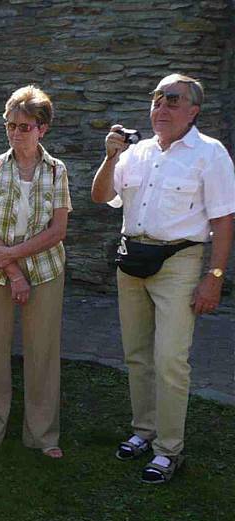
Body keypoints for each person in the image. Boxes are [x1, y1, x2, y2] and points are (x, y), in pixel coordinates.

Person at [90, 73, 235, 484]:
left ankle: (169, 450)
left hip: (180, 261)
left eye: (173, 100)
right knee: (137, 354)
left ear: (193, 110)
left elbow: (225, 220)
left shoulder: (210, 153)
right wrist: (110, 156)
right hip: (132, 258)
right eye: (157, 99)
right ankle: (144, 430)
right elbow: (101, 197)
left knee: (170, 358)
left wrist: (215, 276)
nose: (162, 107)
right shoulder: (136, 153)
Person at [0, 85, 72, 459]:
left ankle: (43, 435)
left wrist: (14, 254)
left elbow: (58, 230)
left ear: (42, 128)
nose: (16, 132)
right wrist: (13, 270)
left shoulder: (56, 170)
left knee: (42, 352)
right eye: (10, 125)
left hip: (45, 271)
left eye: (24, 126)